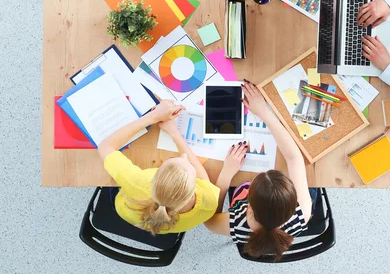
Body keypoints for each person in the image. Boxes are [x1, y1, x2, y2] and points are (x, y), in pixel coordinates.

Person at [204, 81, 314, 260]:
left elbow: (209, 221)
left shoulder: (236, 224)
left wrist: (226, 173)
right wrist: (264, 112)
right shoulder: (303, 212)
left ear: (248, 208)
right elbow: (294, 158)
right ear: (293, 204)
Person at [97, 100, 220, 234]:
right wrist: (175, 134)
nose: (184, 156)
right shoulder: (209, 203)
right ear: (193, 191)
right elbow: (205, 182)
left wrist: (154, 116)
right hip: (163, 226)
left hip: (127, 211)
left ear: (154, 176)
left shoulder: (138, 182)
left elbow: (105, 147)